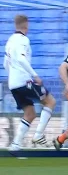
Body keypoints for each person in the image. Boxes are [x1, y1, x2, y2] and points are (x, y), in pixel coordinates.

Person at [3, 15, 56, 151]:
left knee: (30, 113)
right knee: (50, 102)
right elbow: (21, 59)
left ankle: (15, 145)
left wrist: (14, 76)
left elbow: (5, 64)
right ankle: (38, 135)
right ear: (26, 25)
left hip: (13, 85)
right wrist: (34, 75)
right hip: (24, 81)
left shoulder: (9, 41)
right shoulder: (23, 40)